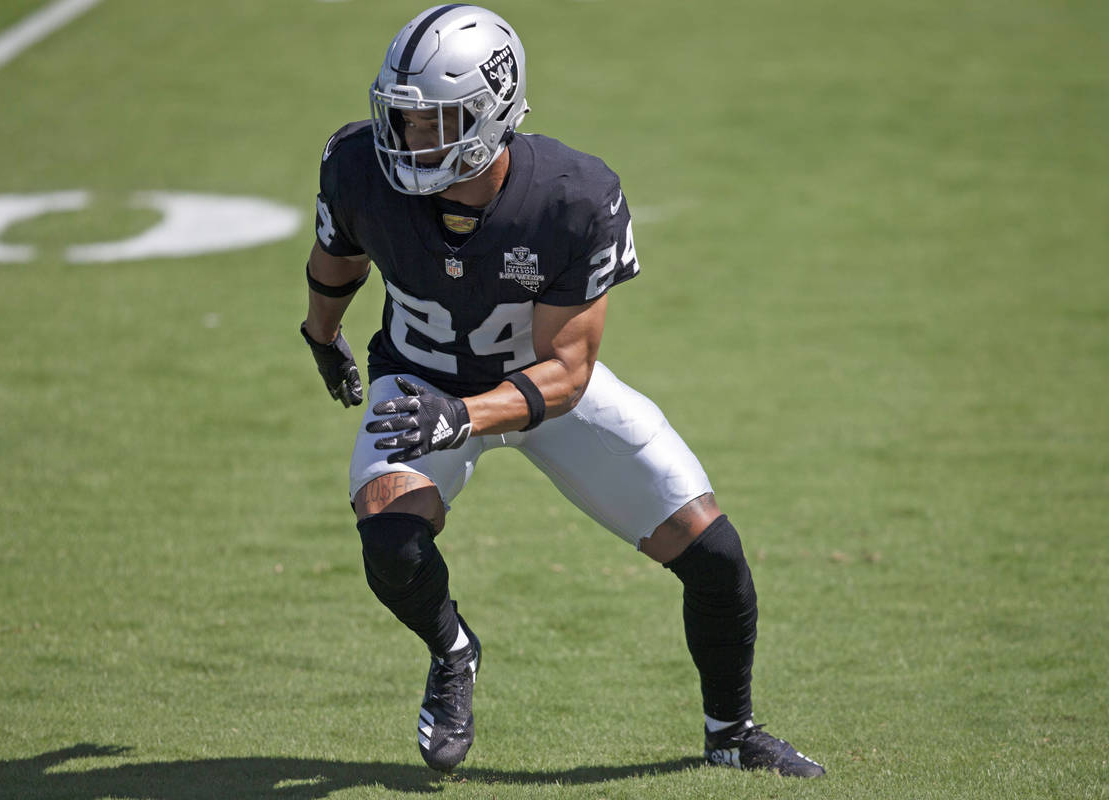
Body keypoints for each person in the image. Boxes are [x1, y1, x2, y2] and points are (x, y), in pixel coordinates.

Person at [299, 4, 825, 779]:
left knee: (713, 553)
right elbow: (338, 254)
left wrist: (467, 416)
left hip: (541, 392)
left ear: (489, 114)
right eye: (403, 117)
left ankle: (731, 732)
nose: (407, 140)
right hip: (418, 381)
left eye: (432, 121)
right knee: (391, 539)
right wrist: (320, 334)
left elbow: (569, 372)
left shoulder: (573, 197)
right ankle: (453, 652)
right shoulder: (357, 167)